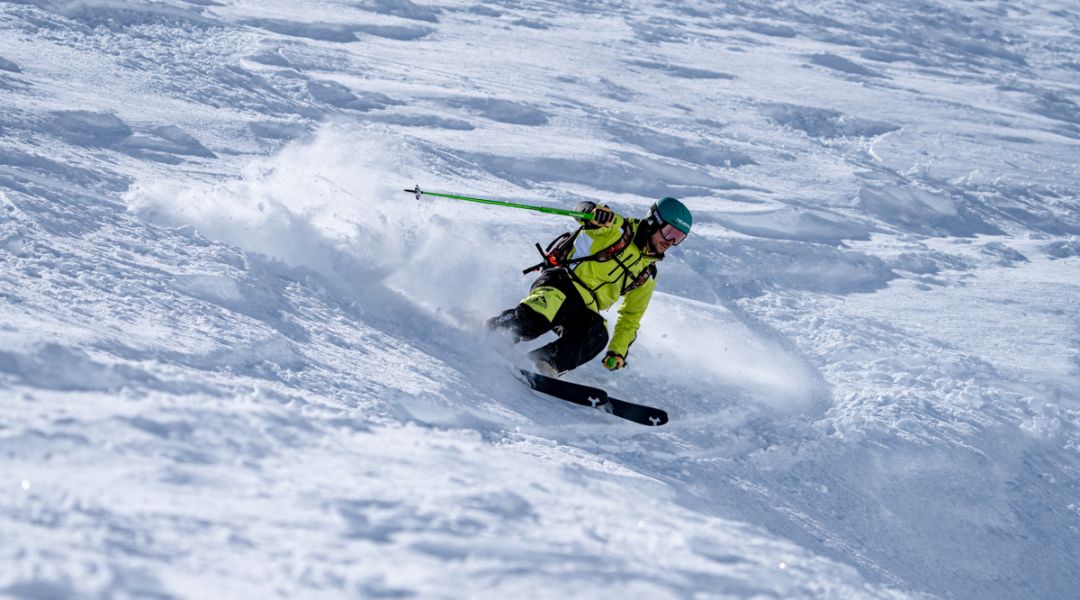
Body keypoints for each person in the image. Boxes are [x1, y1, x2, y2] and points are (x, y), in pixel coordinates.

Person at [488, 196, 692, 376]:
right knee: (541, 314)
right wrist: (591, 212)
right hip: (561, 283)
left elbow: (631, 317)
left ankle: (543, 364)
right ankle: (498, 331)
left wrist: (617, 351)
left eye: (678, 238)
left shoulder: (647, 273)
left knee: (597, 335)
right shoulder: (618, 229)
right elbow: (583, 213)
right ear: (653, 222)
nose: (671, 242)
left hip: (585, 308)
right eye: (669, 232)